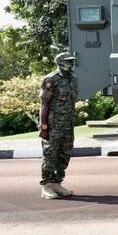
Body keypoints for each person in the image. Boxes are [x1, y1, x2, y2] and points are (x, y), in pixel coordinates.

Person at [39, 52, 78, 199]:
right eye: (68, 62)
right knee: (50, 154)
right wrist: (43, 127)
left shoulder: (73, 80)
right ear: (60, 63)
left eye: (72, 61)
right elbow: (44, 104)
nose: (71, 64)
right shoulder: (51, 79)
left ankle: (57, 183)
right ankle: (46, 185)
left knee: (64, 153)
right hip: (53, 124)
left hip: (68, 124)